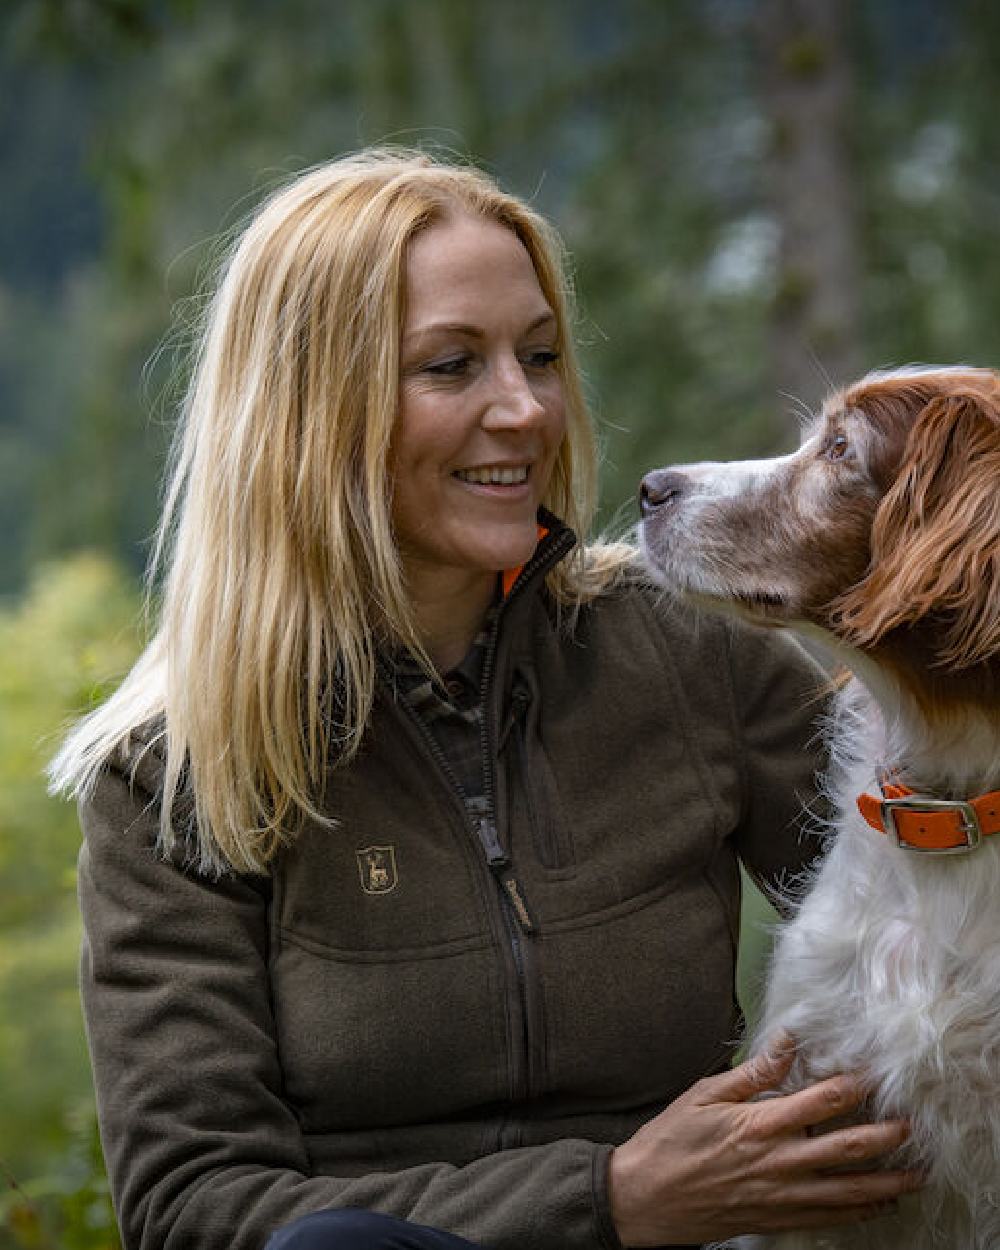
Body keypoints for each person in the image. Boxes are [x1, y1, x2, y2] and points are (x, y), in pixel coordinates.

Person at [50, 149, 923, 1250]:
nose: (524, 407)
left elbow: (936, 887)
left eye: (541, 355)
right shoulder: (169, 775)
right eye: (452, 366)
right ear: (311, 408)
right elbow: (193, 1209)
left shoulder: (687, 645)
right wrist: (606, 1200)